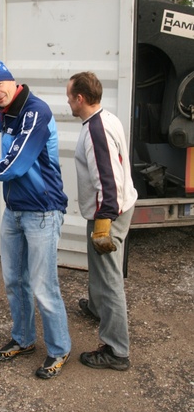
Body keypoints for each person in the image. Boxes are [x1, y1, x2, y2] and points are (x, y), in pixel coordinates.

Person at [0, 57, 71, 379]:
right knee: (15, 282)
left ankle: (59, 350)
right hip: (15, 211)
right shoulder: (9, 114)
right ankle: (24, 340)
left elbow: (15, 165)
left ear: (12, 81)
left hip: (42, 212)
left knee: (44, 287)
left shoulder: (36, 112)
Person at [66, 71, 138, 371]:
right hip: (112, 208)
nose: (67, 101)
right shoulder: (107, 118)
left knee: (109, 280)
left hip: (109, 212)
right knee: (98, 267)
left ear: (80, 98)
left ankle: (117, 350)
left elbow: (108, 179)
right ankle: (97, 308)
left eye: (70, 96)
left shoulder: (96, 129)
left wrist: (104, 221)